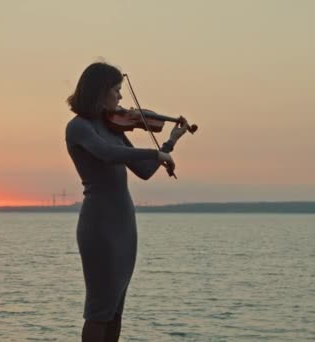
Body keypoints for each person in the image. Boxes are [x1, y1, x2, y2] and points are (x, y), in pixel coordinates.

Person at [65, 62, 189, 341]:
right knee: (99, 308)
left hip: (124, 225)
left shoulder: (114, 126)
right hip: (99, 225)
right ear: (99, 91)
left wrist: (168, 143)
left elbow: (144, 171)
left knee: (116, 308)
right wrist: (155, 153)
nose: (121, 98)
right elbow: (107, 154)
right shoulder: (79, 128)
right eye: (117, 90)